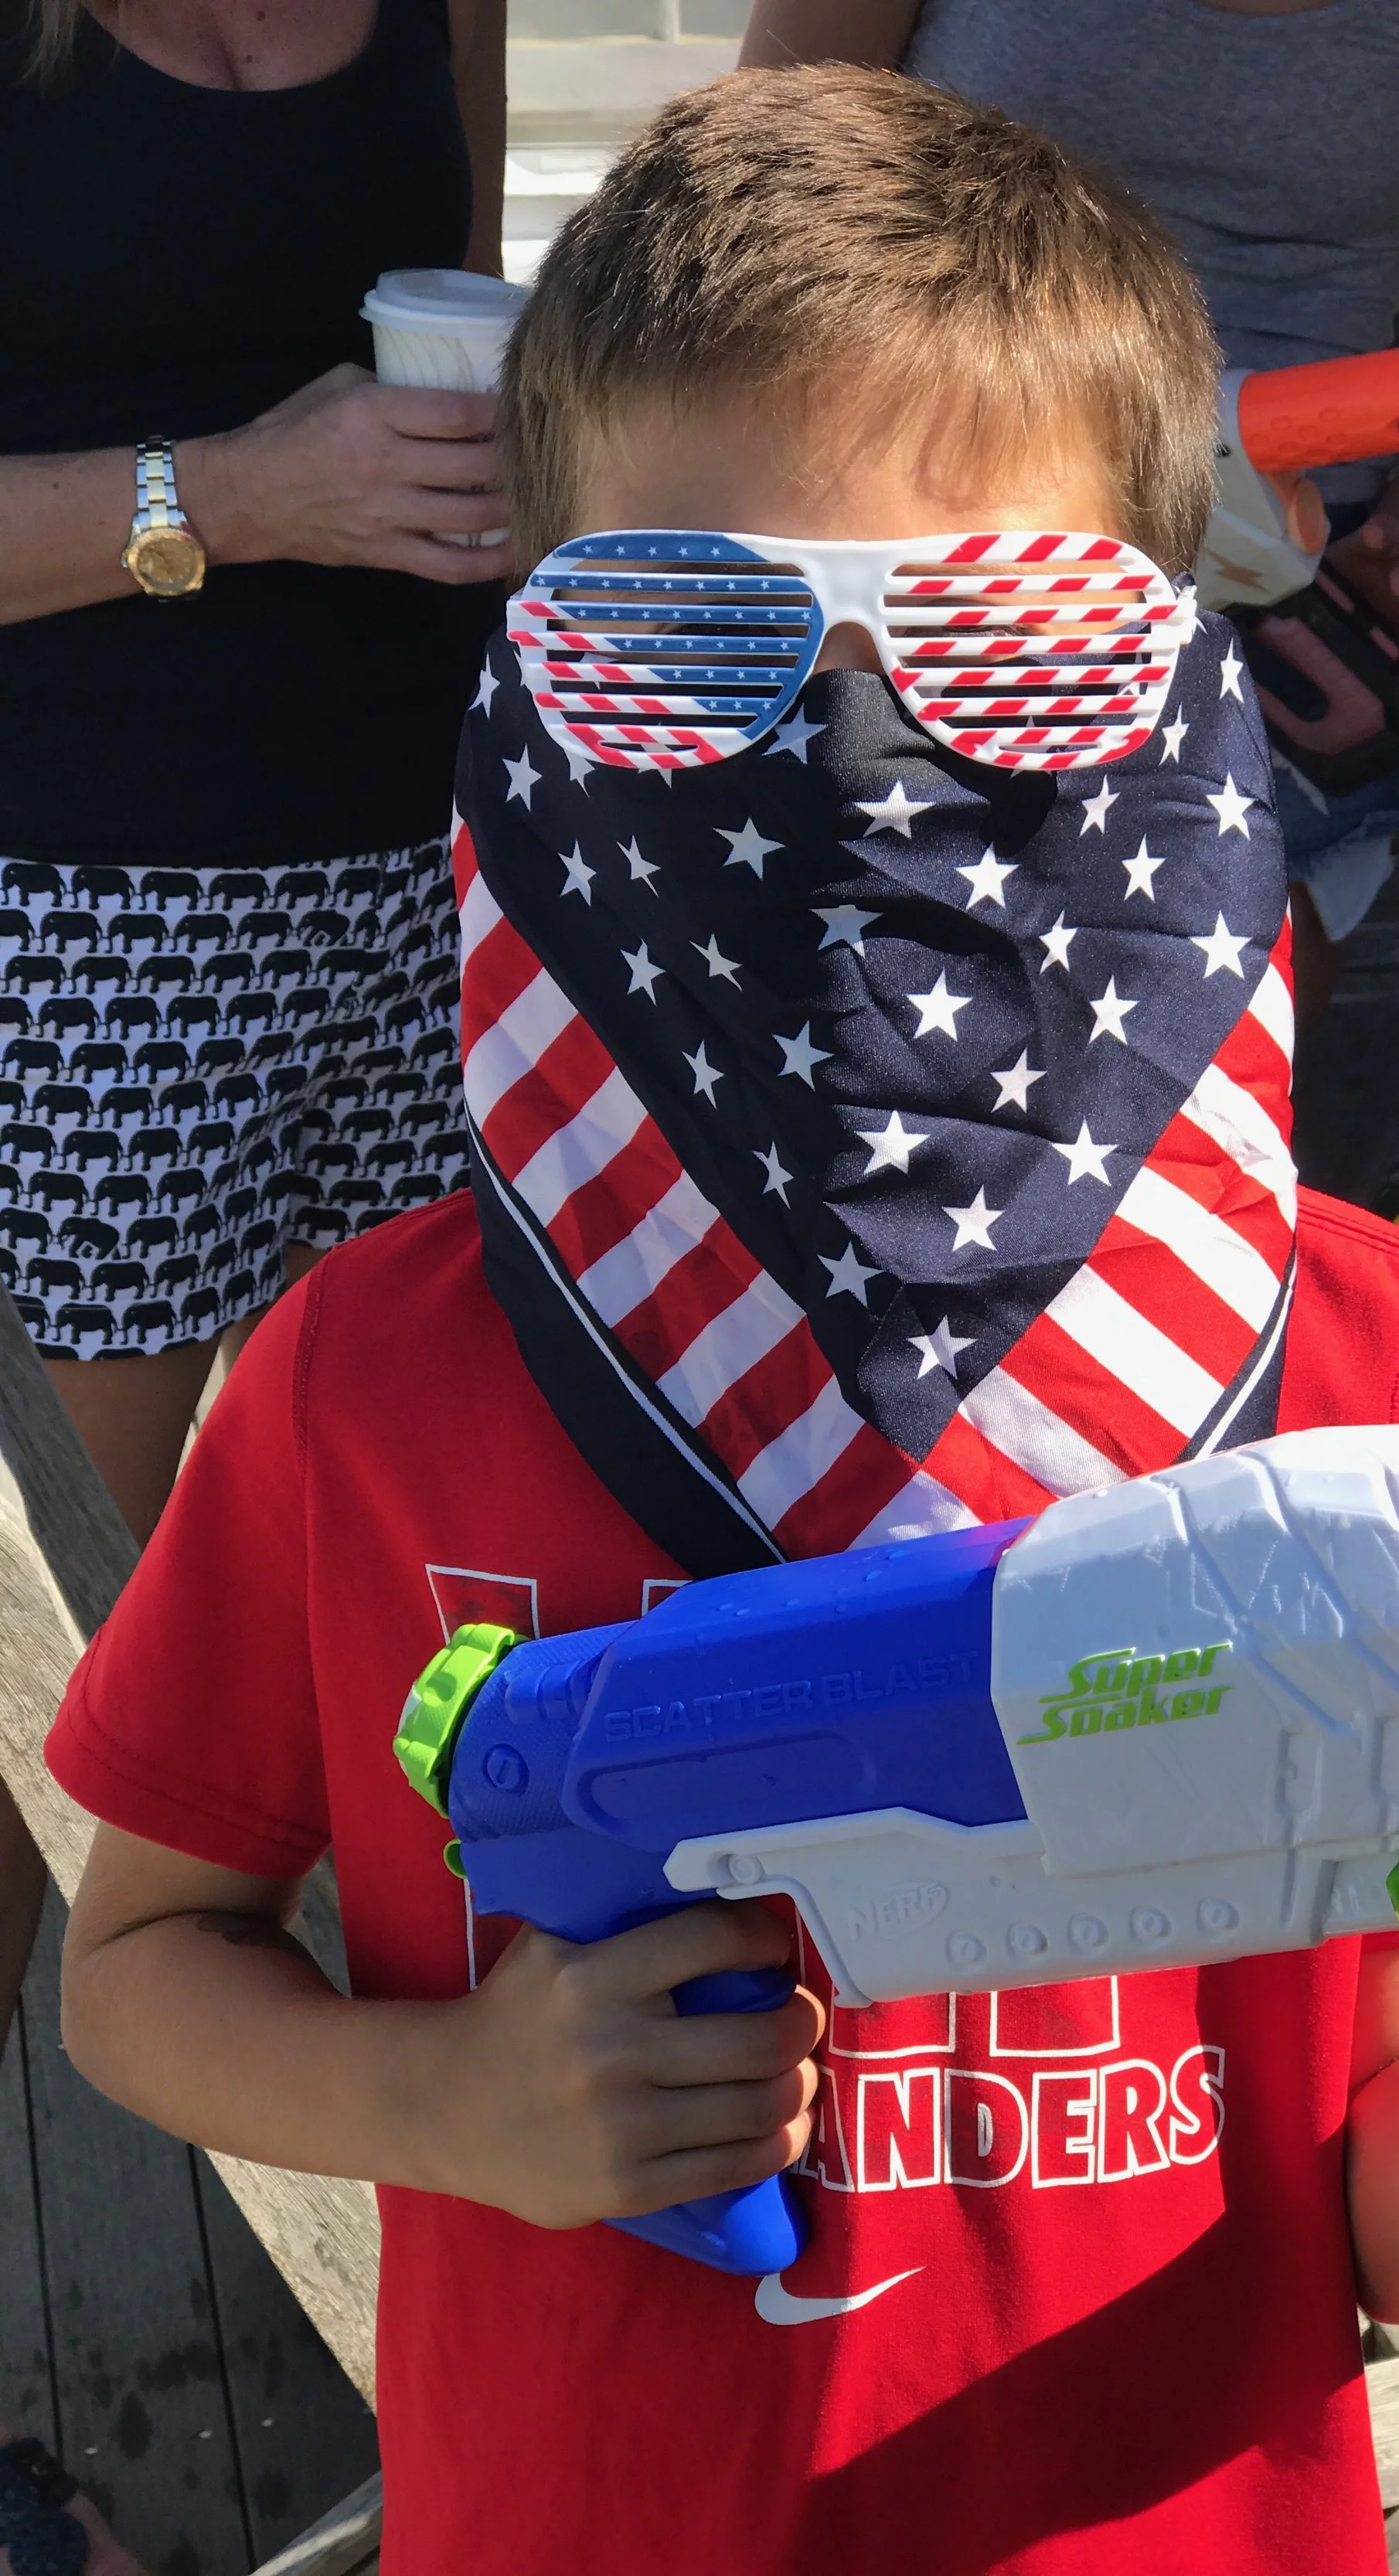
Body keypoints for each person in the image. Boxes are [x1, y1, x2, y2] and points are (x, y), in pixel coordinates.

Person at [46, 73, 1399, 2576]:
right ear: (533, 670)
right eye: (688, 633)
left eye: (1015, 645)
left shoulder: (1383, 1389)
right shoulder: (364, 1376)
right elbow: (137, 1962)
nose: (858, 761)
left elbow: (1382, 2218)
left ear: (1174, 685)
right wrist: (453, 2105)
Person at [0, 0, 512, 2185]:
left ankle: (468, 2268)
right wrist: (230, 496)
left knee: (430, 1643)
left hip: (433, 895)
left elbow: (453, 325)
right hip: (79, 925)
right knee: (52, 1692)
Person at [740, 0, 1399, 1026]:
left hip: (1279, 609)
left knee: (1216, 1101)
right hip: (933, 572)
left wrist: (1391, 566)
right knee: (872, 1061)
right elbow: (734, 225)